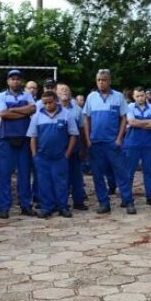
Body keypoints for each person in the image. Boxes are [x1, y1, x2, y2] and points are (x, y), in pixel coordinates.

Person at [83, 69, 133, 214]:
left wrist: (119, 138)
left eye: (104, 80)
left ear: (110, 81)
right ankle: (104, 203)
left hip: (112, 143)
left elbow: (124, 118)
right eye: (98, 80)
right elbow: (86, 118)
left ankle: (128, 201)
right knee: (98, 175)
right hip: (95, 143)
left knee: (121, 173)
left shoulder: (118, 97)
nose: (101, 82)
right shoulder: (91, 97)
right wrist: (87, 139)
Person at [28, 91, 79, 218]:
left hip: (60, 156)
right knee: (44, 183)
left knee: (61, 183)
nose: (48, 105)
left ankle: (63, 207)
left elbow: (73, 135)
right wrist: (35, 155)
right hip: (42, 157)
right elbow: (33, 137)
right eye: (44, 103)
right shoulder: (37, 117)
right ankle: (46, 207)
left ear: (56, 101)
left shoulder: (67, 115)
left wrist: (67, 154)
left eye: (50, 102)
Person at [0, 69, 37, 219]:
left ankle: (25, 205)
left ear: (21, 81)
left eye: (18, 79)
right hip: (6, 139)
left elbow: (33, 109)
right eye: (12, 79)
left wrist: (12, 109)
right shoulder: (1, 95)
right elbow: (3, 114)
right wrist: (22, 111)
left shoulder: (27, 95)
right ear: (8, 81)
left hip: (24, 139)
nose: (15, 81)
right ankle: (4, 207)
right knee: (4, 175)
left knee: (25, 174)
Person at [124, 86, 151, 207]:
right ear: (133, 97)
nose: (140, 98)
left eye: (142, 95)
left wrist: (138, 123)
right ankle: (126, 198)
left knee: (149, 172)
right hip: (132, 144)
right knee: (129, 172)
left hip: (149, 144)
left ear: (146, 95)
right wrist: (147, 122)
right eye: (137, 96)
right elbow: (131, 122)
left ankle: (150, 197)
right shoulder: (128, 107)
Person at [57, 83, 88, 211]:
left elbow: (82, 130)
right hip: (58, 150)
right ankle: (61, 203)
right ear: (56, 93)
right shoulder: (53, 108)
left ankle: (78, 201)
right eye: (61, 90)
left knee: (76, 177)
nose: (64, 91)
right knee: (60, 178)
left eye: (67, 89)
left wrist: (82, 147)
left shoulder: (77, 110)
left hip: (74, 149)